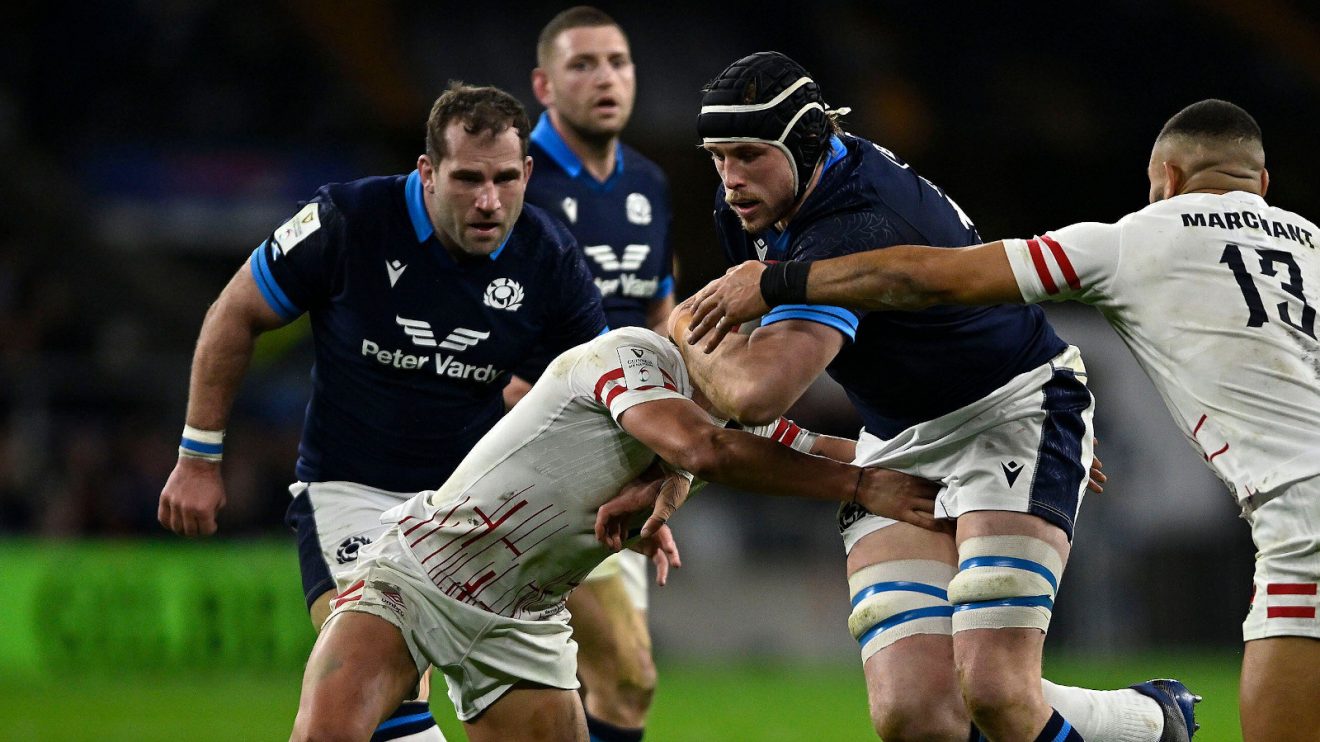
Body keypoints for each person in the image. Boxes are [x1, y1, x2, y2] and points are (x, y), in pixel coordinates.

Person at [687, 98, 1316, 742]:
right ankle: (1147, 725)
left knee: (996, 689)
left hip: (1298, 513)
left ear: (1167, 179)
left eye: (748, 155)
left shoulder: (1134, 239)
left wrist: (765, 288)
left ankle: (1149, 726)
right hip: (913, 436)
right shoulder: (1315, 245)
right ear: (1263, 184)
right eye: (720, 159)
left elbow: (929, 280)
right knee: (917, 713)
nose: (732, 176)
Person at [158, 82, 609, 742]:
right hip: (354, 494)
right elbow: (236, 311)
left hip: (477, 512)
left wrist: (644, 486)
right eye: (468, 179)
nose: (489, 201)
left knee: (540, 730)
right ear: (427, 172)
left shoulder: (547, 255)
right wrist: (198, 455)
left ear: (527, 173)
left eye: (506, 180)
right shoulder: (348, 219)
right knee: (372, 702)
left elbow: (602, 389)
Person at [290, 325, 943, 742]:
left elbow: (840, 450)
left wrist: (957, 466)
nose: (774, 382)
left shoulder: (733, 412)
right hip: (424, 574)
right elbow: (705, 449)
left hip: (524, 618)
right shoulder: (627, 355)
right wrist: (862, 490)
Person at [514, 8, 675, 741]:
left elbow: (661, 315)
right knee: (612, 676)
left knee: (615, 684)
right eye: (584, 65)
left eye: (618, 61)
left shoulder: (649, 183)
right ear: (544, 85)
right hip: (529, 457)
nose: (606, 78)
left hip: (618, 455)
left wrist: (670, 434)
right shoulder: (512, 180)